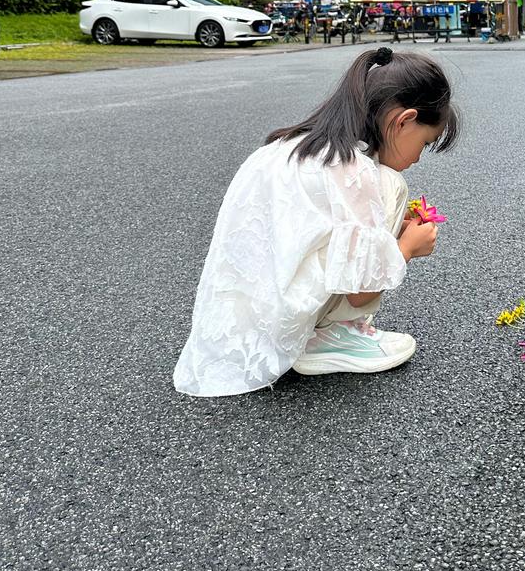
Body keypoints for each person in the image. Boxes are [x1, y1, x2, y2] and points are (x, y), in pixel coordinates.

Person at [173, 46, 460, 397]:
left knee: (383, 187)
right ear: (403, 121)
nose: (418, 157)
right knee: (391, 183)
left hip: (241, 324)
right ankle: (329, 334)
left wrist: (388, 232)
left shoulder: (294, 146)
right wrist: (406, 248)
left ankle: (320, 331)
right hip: (287, 323)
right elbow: (362, 292)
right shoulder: (356, 170)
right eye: (425, 143)